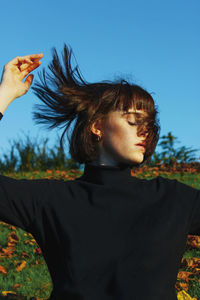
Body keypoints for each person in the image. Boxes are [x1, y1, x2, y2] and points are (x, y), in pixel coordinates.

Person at [0, 45, 199, 300]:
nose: (145, 131)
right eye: (133, 120)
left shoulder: (173, 199)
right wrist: (4, 93)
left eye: (148, 124)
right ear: (97, 127)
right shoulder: (51, 200)